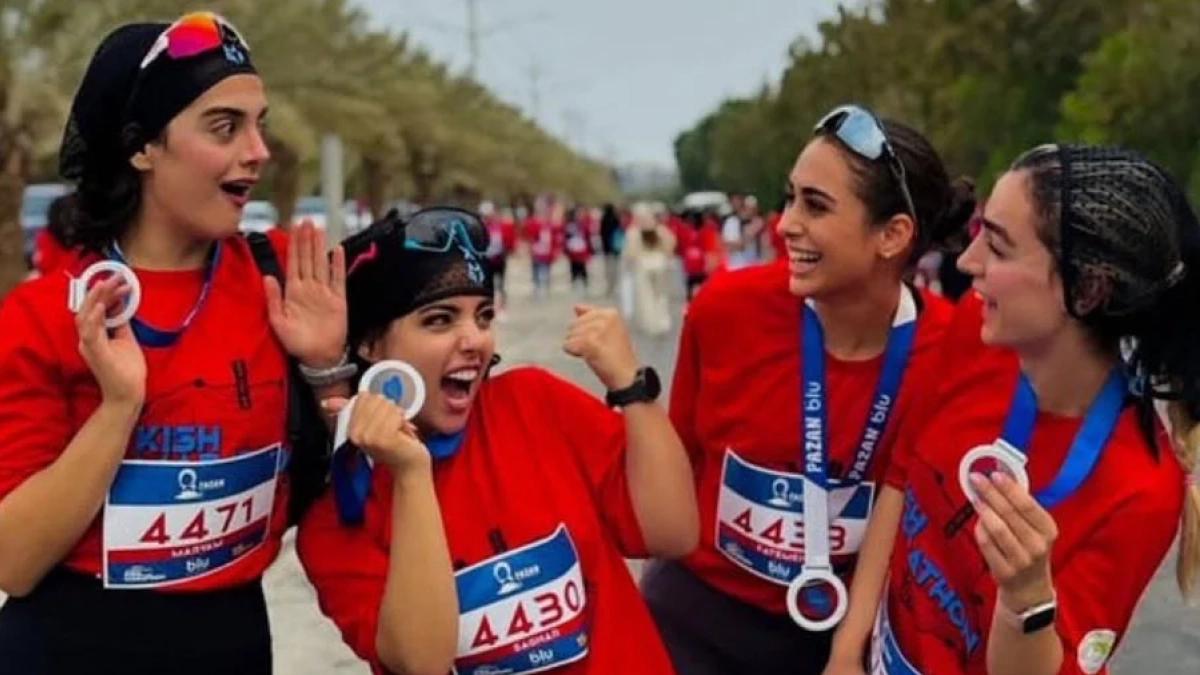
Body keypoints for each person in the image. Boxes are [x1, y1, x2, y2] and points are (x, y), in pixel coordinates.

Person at [0, 14, 344, 673]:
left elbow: (375, 484)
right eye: (225, 126)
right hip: (68, 647)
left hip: (234, 639)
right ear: (142, 147)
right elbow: (14, 562)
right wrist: (119, 405)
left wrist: (328, 372)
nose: (259, 150)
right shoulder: (46, 313)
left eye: (260, 123)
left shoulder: (287, 283)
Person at [825, 144, 1200, 675]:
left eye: (998, 248)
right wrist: (846, 650)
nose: (966, 261)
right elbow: (902, 475)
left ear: (1088, 289)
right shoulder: (977, 335)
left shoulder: (1140, 489)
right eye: (979, 232)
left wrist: (1027, 599)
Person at [641, 103, 975, 675]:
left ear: (893, 235)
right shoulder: (726, 309)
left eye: (815, 206)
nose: (785, 224)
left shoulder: (950, 349)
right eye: (790, 197)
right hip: (696, 619)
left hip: (841, 637)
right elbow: (682, 461)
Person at [296, 207, 699, 675]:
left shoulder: (536, 404)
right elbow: (421, 661)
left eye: (484, 316)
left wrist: (632, 389)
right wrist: (411, 474)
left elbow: (674, 533)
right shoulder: (338, 516)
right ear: (370, 345)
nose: (474, 339)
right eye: (440, 320)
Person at [621, 204, 677, 337]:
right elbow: (671, 244)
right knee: (661, 296)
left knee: (646, 297)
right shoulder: (662, 230)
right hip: (660, 263)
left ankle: (651, 324)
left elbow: (629, 253)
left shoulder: (633, 232)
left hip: (643, 265)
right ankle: (662, 322)